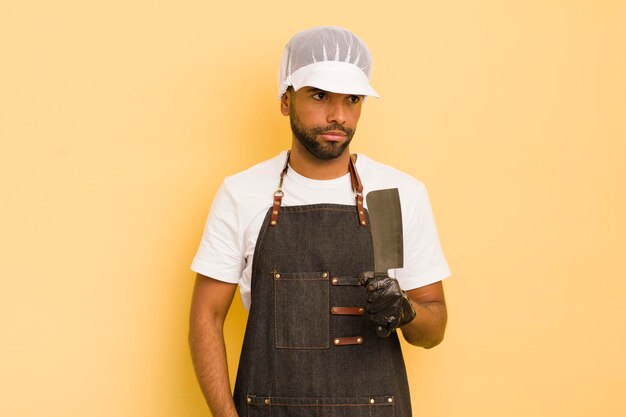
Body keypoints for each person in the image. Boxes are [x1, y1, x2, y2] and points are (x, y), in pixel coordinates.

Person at [189, 26, 451, 417]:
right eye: (319, 96)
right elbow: (206, 318)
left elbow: (434, 329)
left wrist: (406, 311)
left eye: (352, 99)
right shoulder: (243, 193)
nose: (338, 116)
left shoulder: (393, 194)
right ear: (285, 100)